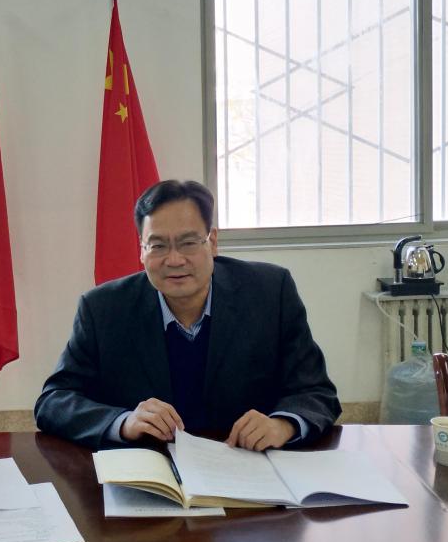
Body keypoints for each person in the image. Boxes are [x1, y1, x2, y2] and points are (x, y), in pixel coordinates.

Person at [35, 179, 340, 452]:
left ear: (213, 242)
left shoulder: (270, 293)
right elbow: (54, 401)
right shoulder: (103, 308)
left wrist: (282, 425)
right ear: (141, 251)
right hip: (150, 470)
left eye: (188, 243)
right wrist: (123, 422)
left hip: (246, 466)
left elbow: (315, 391)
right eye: (158, 246)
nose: (174, 259)